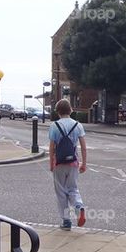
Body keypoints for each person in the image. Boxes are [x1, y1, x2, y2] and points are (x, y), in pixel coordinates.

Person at [48, 98, 87, 230]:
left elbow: (52, 147)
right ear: (70, 110)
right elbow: (83, 147)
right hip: (73, 162)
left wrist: (51, 163)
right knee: (73, 188)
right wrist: (84, 163)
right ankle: (79, 207)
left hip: (59, 163)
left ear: (58, 111)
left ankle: (66, 221)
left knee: (60, 192)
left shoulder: (54, 126)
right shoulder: (78, 125)